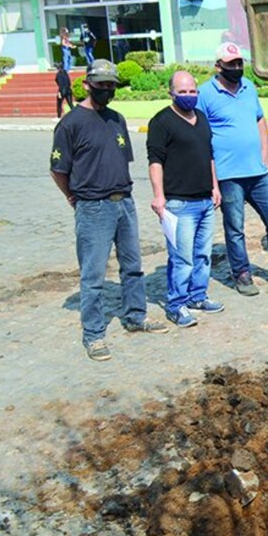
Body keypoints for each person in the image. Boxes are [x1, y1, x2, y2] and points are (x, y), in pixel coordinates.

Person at [50, 59, 168, 361]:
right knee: (93, 275)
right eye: (101, 85)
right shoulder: (71, 123)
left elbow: (121, 159)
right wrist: (72, 197)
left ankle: (135, 316)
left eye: (111, 85)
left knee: (133, 266)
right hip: (92, 208)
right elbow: (58, 169)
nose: (107, 90)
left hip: (124, 203)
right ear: (88, 84)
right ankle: (94, 334)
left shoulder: (116, 119)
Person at [198, 42, 268, 295]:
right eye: (231, 64)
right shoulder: (205, 94)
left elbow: (259, 118)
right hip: (228, 175)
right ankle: (242, 274)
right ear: (218, 66)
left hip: (258, 173)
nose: (237, 68)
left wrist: (266, 154)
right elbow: (200, 134)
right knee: (235, 227)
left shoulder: (248, 88)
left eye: (239, 63)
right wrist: (211, 176)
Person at [147, 71, 224, 328]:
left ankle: (198, 296)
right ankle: (176, 304)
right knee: (182, 258)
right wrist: (159, 196)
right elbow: (155, 161)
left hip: (205, 200)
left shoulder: (201, 118)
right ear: (171, 92)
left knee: (203, 254)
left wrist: (214, 186)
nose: (188, 96)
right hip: (179, 204)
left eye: (192, 91)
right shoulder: (161, 122)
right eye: (183, 91)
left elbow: (209, 155)